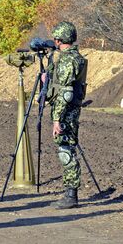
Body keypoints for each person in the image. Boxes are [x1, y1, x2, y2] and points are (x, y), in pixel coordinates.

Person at [45, 21, 88, 209]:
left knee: (65, 151)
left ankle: (71, 195)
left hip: (66, 113)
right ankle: (70, 193)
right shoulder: (76, 57)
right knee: (67, 149)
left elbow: (65, 92)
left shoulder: (68, 60)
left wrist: (57, 119)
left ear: (59, 39)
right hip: (71, 111)